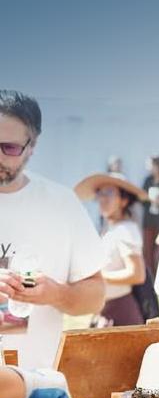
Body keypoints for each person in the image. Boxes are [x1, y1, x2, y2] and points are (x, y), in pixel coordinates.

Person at [0, 90, 106, 368]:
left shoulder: (60, 203)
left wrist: (57, 294)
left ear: (32, 146)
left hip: (35, 390)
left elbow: (96, 295)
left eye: (8, 148)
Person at [74, 172, 148, 327]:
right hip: (104, 310)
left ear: (124, 200)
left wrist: (99, 277)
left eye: (109, 193)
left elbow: (137, 274)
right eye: (100, 193)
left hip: (121, 312)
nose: (103, 199)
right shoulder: (109, 230)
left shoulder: (126, 230)